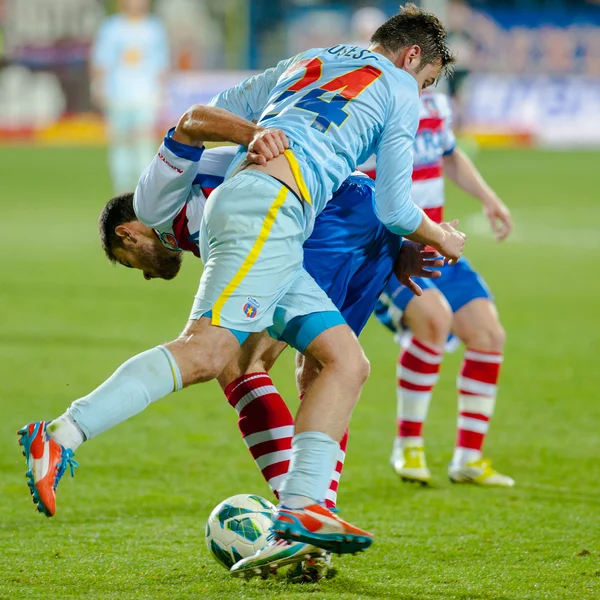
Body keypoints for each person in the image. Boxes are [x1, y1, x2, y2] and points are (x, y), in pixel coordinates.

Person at [19, 3, 464, 560]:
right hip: (274, 209)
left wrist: (260, 136)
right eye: (423, 83)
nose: (417, 91)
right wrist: (439, 236)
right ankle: (62, 434)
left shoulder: (309, 59)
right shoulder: (396, 84)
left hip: (276, 215)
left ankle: (301, 506)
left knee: (344, 361)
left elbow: (203, 117)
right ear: (412, 56)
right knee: (213, 354)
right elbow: (396, 204)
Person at [371, 90, 514, 486]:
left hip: (438, 243)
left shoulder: (437, 102)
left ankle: (468, 458)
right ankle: (408, 445)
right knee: (433, 320)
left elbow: (449, 153)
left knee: (488, 334)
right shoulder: (376, 99)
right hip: (391, 249)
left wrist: (488, 198)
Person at [91, 0, 169, 193]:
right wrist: (99, 87)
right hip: (118, 95)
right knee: (120, 145)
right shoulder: (111, 28)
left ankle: (143, 193)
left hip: (145, 96)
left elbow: (161, 65)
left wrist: (161, 92)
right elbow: (101, 61)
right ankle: (122, 192)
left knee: (144, 144)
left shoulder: (154, 29)